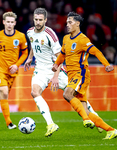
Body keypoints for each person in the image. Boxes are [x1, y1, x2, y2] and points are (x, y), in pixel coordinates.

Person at [24, 8, 103, 138]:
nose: (37, 22)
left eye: (40, 20)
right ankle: (50, 124)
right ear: (33, 19)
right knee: (34, 92)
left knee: (76, 96)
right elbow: (33, 42)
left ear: (45, 20)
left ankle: (96, 119)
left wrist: (55, 76)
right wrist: (30, 57)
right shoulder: (29, 32)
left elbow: (60, 57)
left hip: (55, 69)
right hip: (40, 70)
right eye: (36, 19)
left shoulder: (50, 34)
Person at [52, 11, 117, 140]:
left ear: (77, 24)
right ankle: (111, 130)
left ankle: (86, 119)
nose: (67, 25)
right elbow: (62, 54)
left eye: (70, 22)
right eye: (67, 23)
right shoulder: (65, 38)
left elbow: (96, 51)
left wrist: (106, 64)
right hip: (72, 76)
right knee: (85, 109)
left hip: (81, 74)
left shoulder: (82, 39)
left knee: (67, 94)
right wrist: (56, 64)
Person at [0, 11, 28, 129]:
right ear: (3, 22)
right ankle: (9, 122)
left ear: (15, 23)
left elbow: (25, 53)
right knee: (4, 92)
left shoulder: (20, 36)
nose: (9, 24)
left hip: (12, 71)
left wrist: (17, 65)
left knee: (3, 95)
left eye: (11, 22)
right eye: (7, 22)